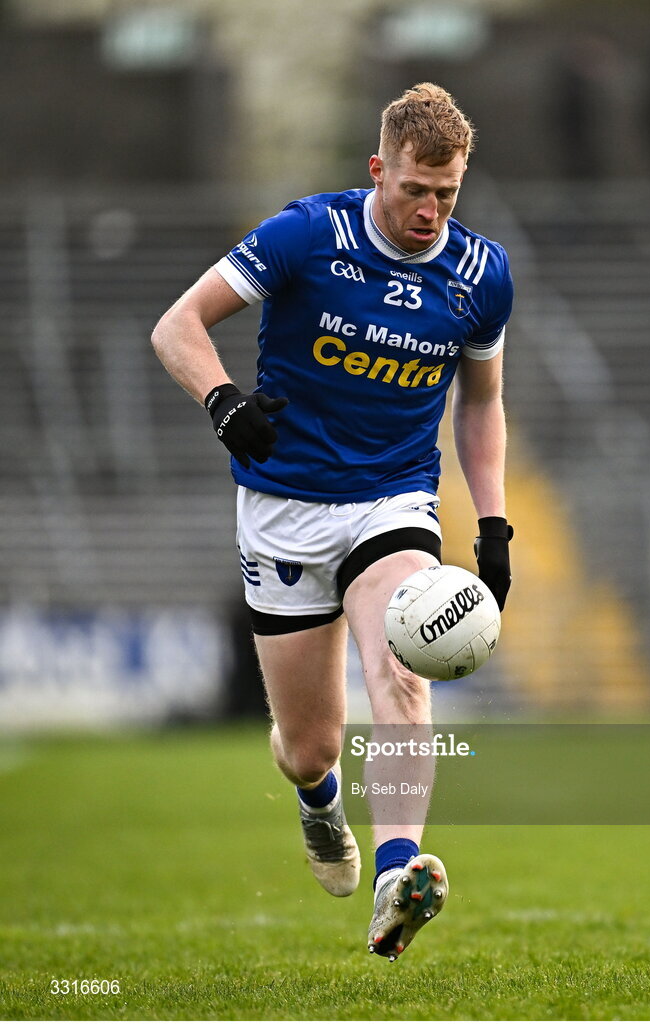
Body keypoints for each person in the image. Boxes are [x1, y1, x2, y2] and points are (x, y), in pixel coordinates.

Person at [151, 83, 513, 962]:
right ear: (377, 169)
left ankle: (398, 876)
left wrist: (493, 524)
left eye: (447, 194)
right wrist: (223, 400)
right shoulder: (307, 234)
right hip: (281, 508)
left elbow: (480, 405)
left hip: (391, 499)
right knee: (309, 745)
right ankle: (320, 806)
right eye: (414, 191)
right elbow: (178, 325)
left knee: (402, 663)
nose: (430, 212)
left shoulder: (480, 275)